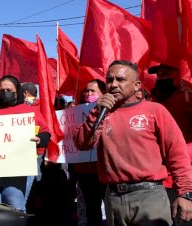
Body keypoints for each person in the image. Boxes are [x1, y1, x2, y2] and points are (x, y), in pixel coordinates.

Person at [74, 60, 192, 226]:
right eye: (109, 80)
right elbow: (82, 143)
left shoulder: (155, 111)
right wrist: (95, 113)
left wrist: (185, 193)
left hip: (149, 197)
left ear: (136, 85)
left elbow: (177, 155)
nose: (113, 85)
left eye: (120, 80)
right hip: (113, 198)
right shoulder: (101, 112)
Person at [0, 75, 51, 213]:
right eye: (2, 90)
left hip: (15, 176)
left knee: (15, 214)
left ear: (17, 91)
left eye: (9, 90)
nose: (5, 93)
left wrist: (40, 139)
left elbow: (46, 132)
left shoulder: (29, 111)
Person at [148, 63, 192, 226]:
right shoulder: (154, 101)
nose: (160, 76)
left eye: (165, 73)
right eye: (158, 74)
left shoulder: (185, 97)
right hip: (159, 179)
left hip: (184, 178)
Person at [74, 79, 107, 226]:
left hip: (104, 169)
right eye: (86, 91)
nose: (88, 93)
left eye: (93, 91)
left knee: (109, 207)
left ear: (103, 94)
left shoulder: (110, 111)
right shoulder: (76, 111)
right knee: (92, 209)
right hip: (85, 170)